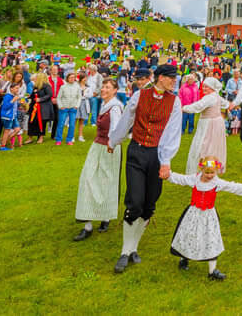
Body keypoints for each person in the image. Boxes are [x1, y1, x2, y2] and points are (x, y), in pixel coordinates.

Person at [108, 64, 184, 274]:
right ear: (160, 78)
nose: (173, 81)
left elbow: (172, 132)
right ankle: (125, 251)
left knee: (149, 204)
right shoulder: (139, 96)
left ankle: (134, 248)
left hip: (156, 156)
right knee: (134, 202)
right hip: (137, 152)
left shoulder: (175, 101)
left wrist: (165, 160)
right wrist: (114, 140)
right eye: (171, 78)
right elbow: (126, 120)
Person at [165, 156, 242, 281]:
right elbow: (182, 179)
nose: (209, 175)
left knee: (211, 239)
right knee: (189, 235)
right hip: (193, 214)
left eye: (212, 173)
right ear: (201, 170)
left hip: (209, 217)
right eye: (207, 172)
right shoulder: (195, 179)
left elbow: (232, 186)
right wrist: (168, 175)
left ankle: (212, 271)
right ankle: (184, 259)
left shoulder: (217, 182)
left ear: (217, 171)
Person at [74, 78, 124, 241]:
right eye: (103, 87)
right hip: (97, 146)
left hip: (109, 148)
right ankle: (87, 225)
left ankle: (106, 216)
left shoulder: (115, 107)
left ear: (115, 90)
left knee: (107, 182)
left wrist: (111, 143)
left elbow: (117, 129)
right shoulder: (104, 105)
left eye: (108, 87)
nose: (103, 90)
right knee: (87, 179)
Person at [183, 76, 229, 176]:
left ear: (212, 88)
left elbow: (198, 106)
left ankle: (202, 169)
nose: (204, 89)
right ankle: (211, 167)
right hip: (217, 123)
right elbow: (225, 104)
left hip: (209, 125)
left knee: (203, 146)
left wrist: (183, 108)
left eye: (206, 87)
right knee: (213, 146)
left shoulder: (210, 97)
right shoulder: (216, 96)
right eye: (203, 86)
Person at [55, 71, 83, 145]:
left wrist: (77, 106)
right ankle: (58, 139)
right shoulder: (63, 87)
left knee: (72, 124)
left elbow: (79, 97)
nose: (72, 79)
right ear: (67, 78)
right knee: (61, 124)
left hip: (73, 108)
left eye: (73, 77)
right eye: (70, 77)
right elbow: (59, 98)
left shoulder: (77, 87)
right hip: (64, 108)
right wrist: (61, 106)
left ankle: (69, 139)